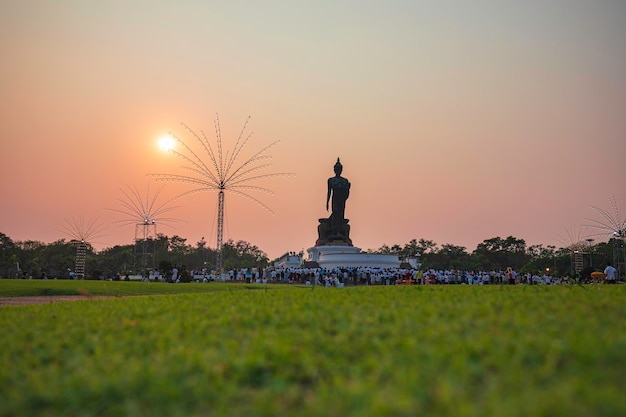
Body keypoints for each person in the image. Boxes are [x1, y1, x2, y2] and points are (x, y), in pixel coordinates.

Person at [326, 158, 351, 232]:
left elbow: (346, 193)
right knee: (335, 212)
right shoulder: (331, 180)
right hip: (335, 197)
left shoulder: (344, 181)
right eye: (336, 169)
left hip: (341, 198)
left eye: (339, 169)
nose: (338, 171)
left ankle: (339, 231)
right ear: (334, 170)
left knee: (340, 214)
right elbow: (329, 192)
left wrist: (348, 189)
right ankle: (334, 230)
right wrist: (327, 202)